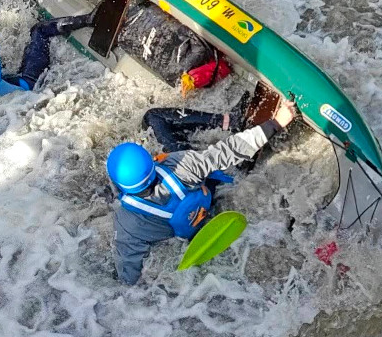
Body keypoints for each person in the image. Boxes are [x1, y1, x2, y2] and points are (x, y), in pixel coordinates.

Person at [107, 97, 297, 285]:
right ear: (152, 163)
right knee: (153, 117)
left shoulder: (127, 224)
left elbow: (129, 274)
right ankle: (229, 120)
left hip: (187, 238)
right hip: (212, 198)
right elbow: (229, 150)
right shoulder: (180, 164)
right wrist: (276, 122)